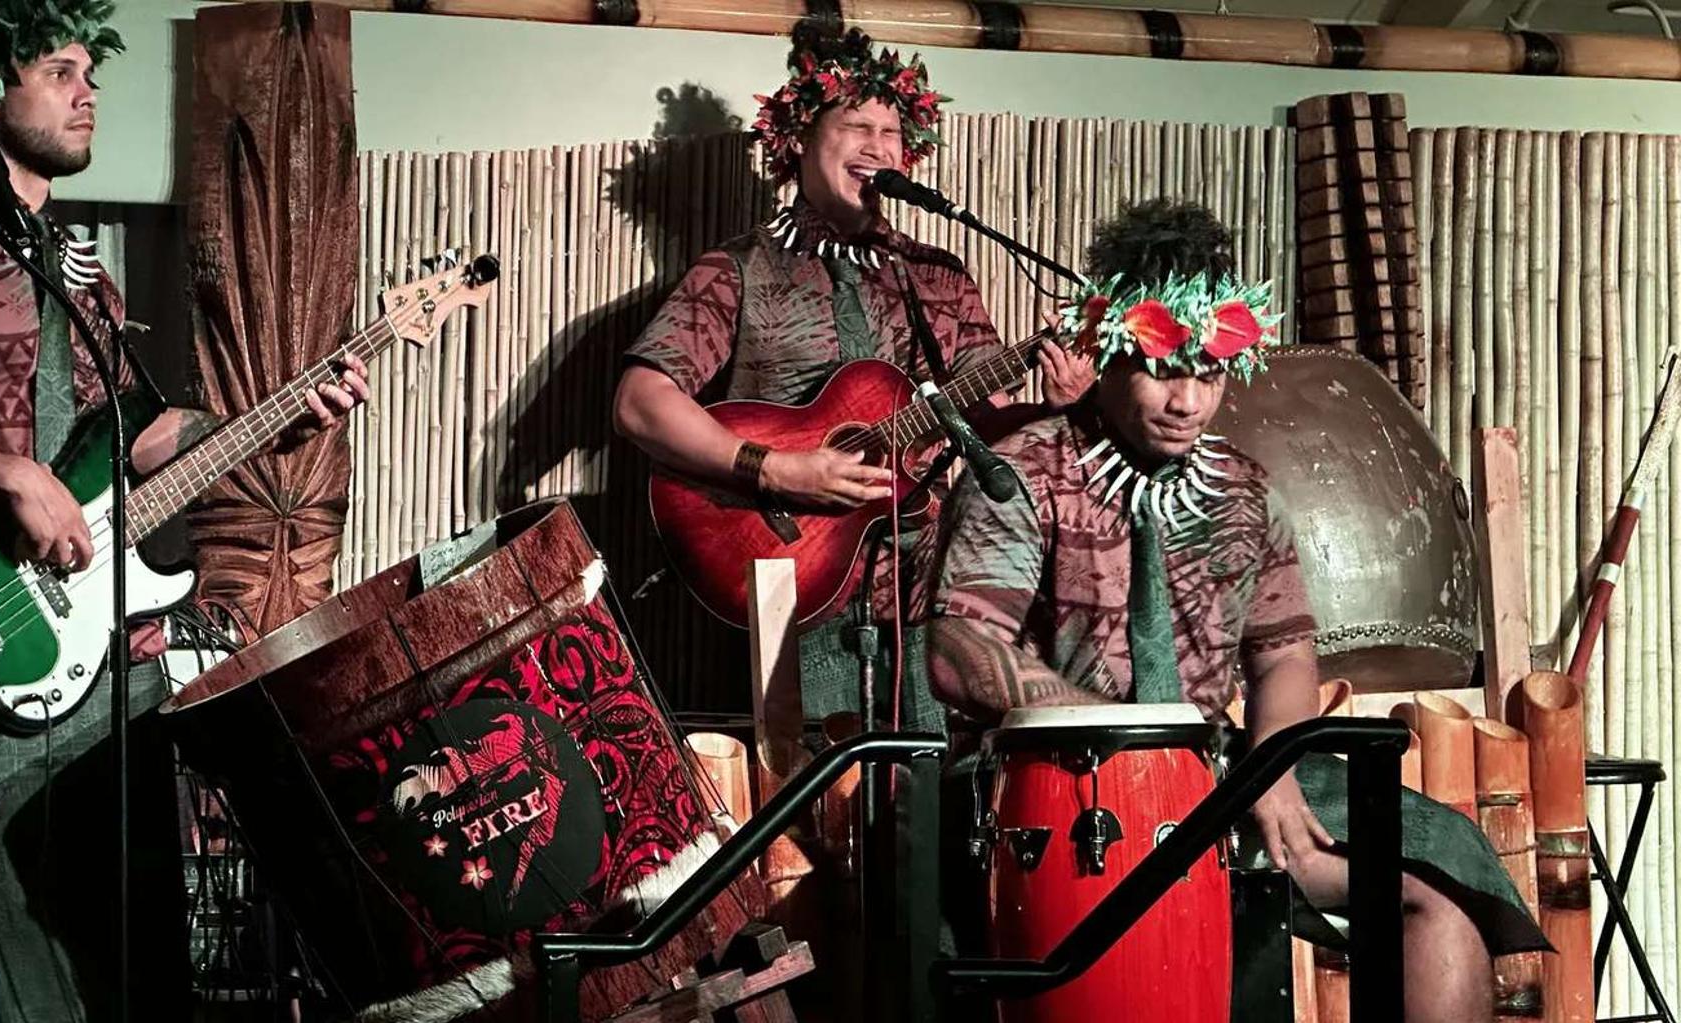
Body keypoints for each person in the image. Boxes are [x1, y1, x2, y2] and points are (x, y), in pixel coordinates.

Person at [0, 3, 366, 1019]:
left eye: (86, 72)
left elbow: (138, 439)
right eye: (57, 70)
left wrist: (278, 419)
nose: (85, 88)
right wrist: (7, 476)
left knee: (111, 928)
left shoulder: (80, 274)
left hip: (102, 653)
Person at [926, 198, 1547, 1022]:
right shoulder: (1024, 472)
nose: (1188, 400)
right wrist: (1139, 737)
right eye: (1163, 368)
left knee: (1435, 889)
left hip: (1222, 780)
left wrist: (1272, 770)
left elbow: (1284, 651)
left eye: (1208, 372)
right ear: (1106, 352)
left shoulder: (1245, 493)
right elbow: (957, 645)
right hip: (1051, 794)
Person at [614, 26, 1093, 729]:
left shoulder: (938, 276)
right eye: (856, 124)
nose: (877, 145)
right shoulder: (739, 269)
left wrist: (1060, 411)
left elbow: (987, 422)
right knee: (813, 821)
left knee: (929, 810)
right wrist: (776, 468)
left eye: (891, 131)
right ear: (800, 138)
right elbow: (640, 403)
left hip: (927, 598)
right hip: (792, 585)